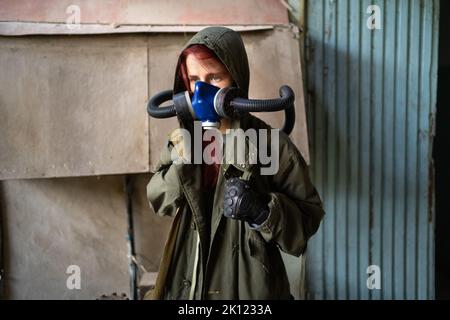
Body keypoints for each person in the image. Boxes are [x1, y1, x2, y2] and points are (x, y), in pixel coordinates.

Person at [146, 26, 325, 300]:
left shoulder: (270, 145)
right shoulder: (183, 140)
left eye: (214, 77)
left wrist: (263, 212)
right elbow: (159, 200)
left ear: (236, 81)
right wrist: (183, 161)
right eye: (194, 79)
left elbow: (307, 223)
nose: (201, 90)